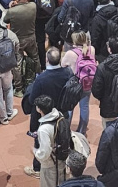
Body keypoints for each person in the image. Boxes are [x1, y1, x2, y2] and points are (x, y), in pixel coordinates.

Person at [24, 47, 72, 178]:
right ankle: (62, 164)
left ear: (46, 60)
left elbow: (33, 99)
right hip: (62, 112)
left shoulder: (42, 79)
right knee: (61, 139)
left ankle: (38, 168)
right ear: (60, 60)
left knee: (40, 140)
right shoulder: (67, 73)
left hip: (45, 114)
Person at [61, 30, 96, 134]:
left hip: (74, 84)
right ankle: (82, 131)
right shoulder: (92, 49)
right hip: (87, 83)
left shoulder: (70, 53)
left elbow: (63, 65)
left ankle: (66, 131)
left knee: (69, 107)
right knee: (84, 107)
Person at [31, 95, 68, 187]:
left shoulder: (44, 129)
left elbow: (45, 152)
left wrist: (35, 152)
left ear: (39, 109)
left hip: (50, 163)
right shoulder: (59, 115)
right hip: (61, 158)